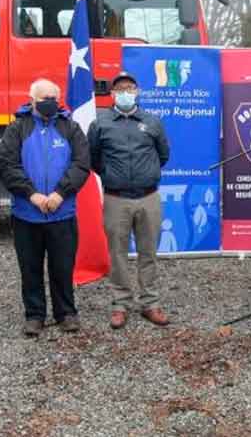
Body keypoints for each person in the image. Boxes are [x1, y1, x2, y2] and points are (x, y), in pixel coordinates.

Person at [0, 79, 90, 336]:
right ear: (32, 98)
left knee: (62, 267)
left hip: (63, 213)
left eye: (54, 96)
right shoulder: (17, 128)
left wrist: (61, 193)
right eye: (44, 97)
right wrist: (32, 195)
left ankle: (66, 313)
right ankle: (35, 315)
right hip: (27, 214)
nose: (50, 101)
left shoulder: (70, 128)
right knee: (30, 268)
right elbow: (7, 165)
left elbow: (81, 164)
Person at [87, 71, 170, 329]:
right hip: (116, 199)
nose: (125, 92)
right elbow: (93, 159)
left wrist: (145, 175)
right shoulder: (100, 123)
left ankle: (150, 303)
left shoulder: (152, 121)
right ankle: (120, 304)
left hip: (148, 198)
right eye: (120, 88)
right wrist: (114, 176)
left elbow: (163, 154)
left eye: (130, 87)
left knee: (148, 253)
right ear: (112, 94)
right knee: (117, 254)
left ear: (137, 91)